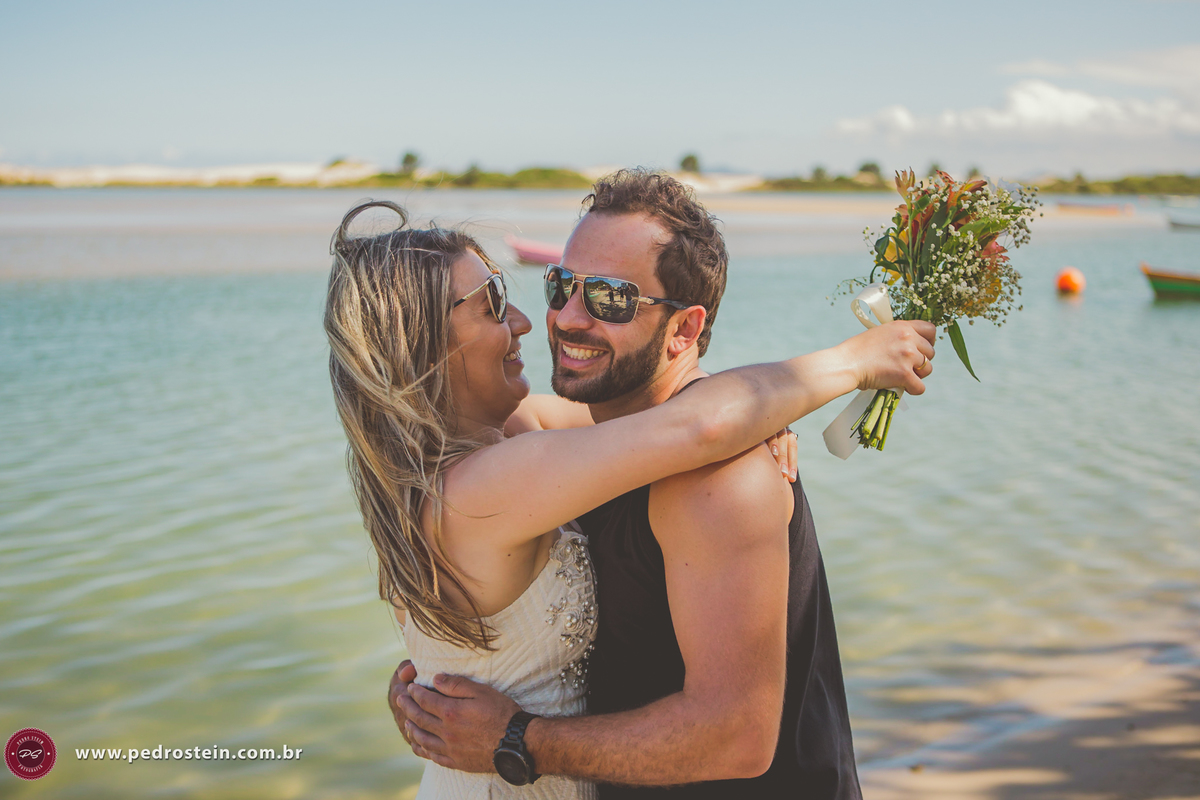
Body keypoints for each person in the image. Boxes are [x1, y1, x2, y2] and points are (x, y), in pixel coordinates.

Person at [388, 170, 935, 798]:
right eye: (562, 285)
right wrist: (435, 673)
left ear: (683, 330)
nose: (565, 318)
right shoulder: (588, 441)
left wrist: (516, 740)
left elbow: (735, 736)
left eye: (610, 299)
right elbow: (450, 405)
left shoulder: (715, 479)